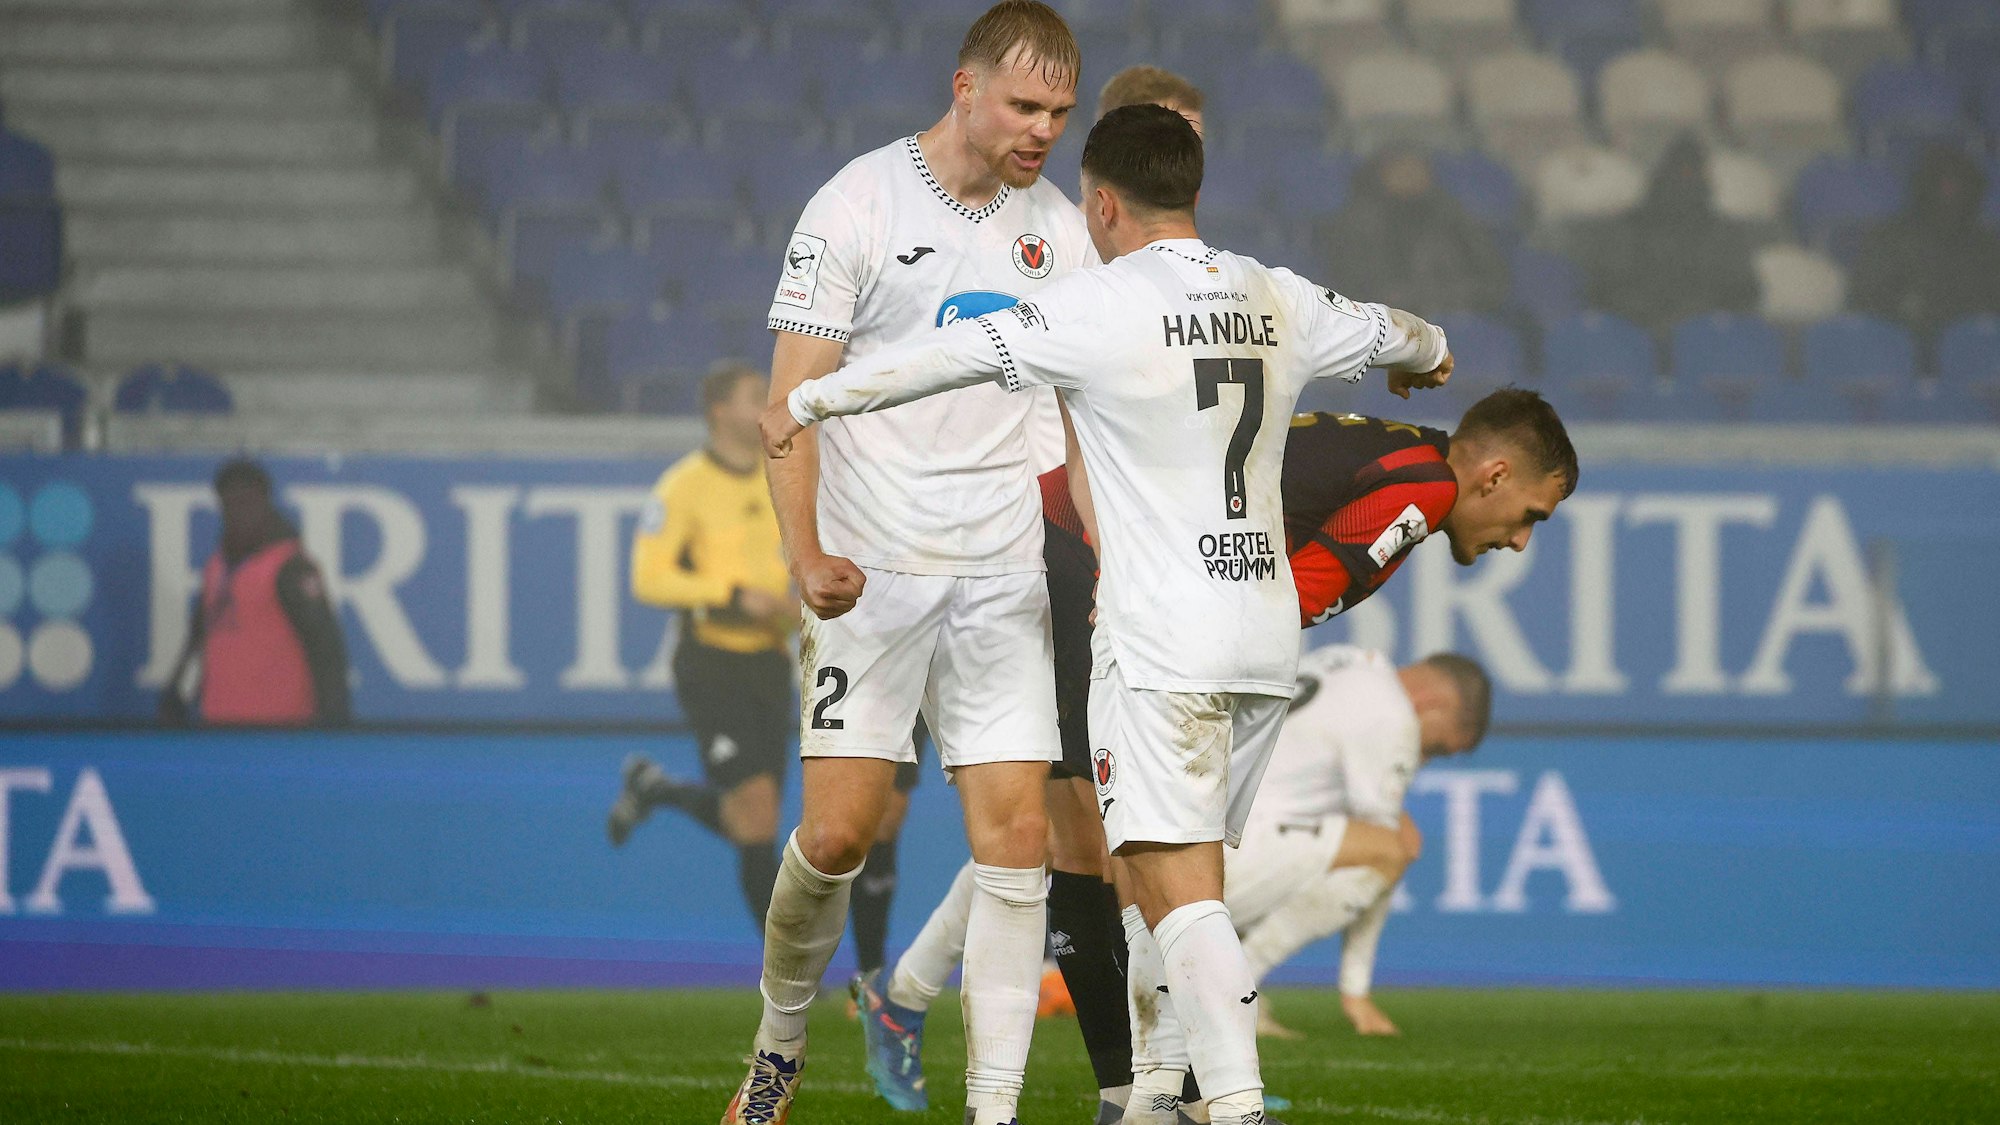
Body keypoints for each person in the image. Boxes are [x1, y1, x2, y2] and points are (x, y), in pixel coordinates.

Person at [763, 103, 1454, 1125]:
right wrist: (1429, 356)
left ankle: (1233, 1105)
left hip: (1159, 639)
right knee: (1172, 881)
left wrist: (817, 402)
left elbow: (949, 357)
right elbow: (1400, 330)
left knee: (1175, 895)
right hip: (1264, 634)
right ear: (1193, 192)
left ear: (1099, 202)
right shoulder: (1277, 293)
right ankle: (1151, 1105)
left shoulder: (1101, 304)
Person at [860, 389, 1578, 1122]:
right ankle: (1165, 1095)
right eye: (1530, 516)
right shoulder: (1423, 489)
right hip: (1088, 546)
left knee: (1074, 837)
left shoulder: (1407, 454)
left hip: (1068, 533)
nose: (1520, 540)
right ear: (1493, 475)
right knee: (1107, 846)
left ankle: (1141, 1088)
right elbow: (1281, 601)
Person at [722, 4, 1093, 1123]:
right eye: (1024, 106)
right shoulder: (856, 205)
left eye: (1060, 114)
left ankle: (992, 1111)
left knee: (1015, 845)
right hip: (872, 571)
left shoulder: (1059, 232)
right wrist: (805, 552)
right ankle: (778, 1049)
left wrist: (1102, 554)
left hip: (999, 577)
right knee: (835, 836)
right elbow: (788, 405)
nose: (1042, 131)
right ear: (964, 86)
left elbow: (1077, 421)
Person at [846, 61, 1211, 1120]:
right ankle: (1140, 1091)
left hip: (1109, 557)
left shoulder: (1165, 279)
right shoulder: (1049, 257)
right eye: (1162, 140)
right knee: (1073, 836)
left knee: (1089, 829)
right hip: (1034, 551)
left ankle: (911, 997)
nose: (1180, 166)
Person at [609, 362, 796, 929]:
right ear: (718, 411)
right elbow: (649, 578)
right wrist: (732, 594)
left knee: (753, 819)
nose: (765, 402)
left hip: (771, 663)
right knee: (758, 814)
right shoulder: (682, 485)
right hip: (712, 662)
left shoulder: (784, 472)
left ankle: (657, 789)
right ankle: (784, 975)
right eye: (751, 396)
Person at [1228, 646, 1491, 1043]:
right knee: (1391, 848)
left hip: (1197, 832)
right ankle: (1235, 985)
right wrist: (1356, 989)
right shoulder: (1392, 716)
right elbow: (1391, 849)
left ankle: (1221, 979)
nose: (1424, 760)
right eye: (1435, 748)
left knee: (1355, 842)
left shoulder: (1348, 661)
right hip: (1232, 852)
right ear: (1432, 704)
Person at [158, 459, 350, 727]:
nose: (239, 512)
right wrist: (177, 691)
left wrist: (335, 720)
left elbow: (325, 647)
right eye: (230, 503)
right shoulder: (217, 566)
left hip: (281, 726)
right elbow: (200, 638)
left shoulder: (290, 566)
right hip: (218, 723)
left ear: (265, 503)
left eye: (247, 502)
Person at [1579, 134, 1758, 333]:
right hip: (1634, 336)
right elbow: (1601, 290)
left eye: (1693, 171)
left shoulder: (1724, 234)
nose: (1686, 180)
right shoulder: (1627, 229)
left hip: (1700, 338)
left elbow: (1744, 294)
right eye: (1682, 171)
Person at [1319, 150, 1510, 318]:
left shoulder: (1452, 217)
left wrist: (1449, 299)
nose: (1410, 175)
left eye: (1416, 168)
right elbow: (1354, 286)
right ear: (1381, 173)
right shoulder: (1358, 224)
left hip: (1457, 317)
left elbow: (1493, 280)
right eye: (1400, 169)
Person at [1851, 144, 2000, 339]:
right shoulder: (1888, 239)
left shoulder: (1989, 246)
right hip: (1901, 351)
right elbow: (1866, 303)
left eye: (1957, 184)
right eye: (1942, 183)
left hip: (1976, 354)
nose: (1949, 194)